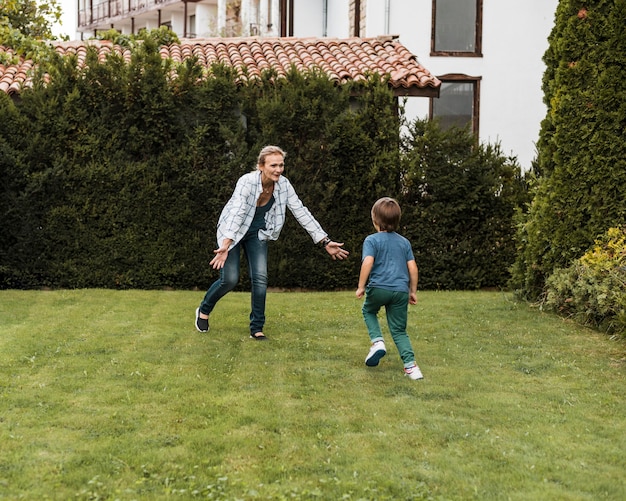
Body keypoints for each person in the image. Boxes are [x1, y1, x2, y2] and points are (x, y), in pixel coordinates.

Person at [195, 145, 349, 340]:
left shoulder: (284, 185)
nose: (278, 169)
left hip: (257, 233)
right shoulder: (247, 182)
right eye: (273, 165)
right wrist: (226, 245)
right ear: (261, 166)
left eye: (281, 165)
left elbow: (300, 210)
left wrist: (324, 240)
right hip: (232, 231)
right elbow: (237, 213)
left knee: (260, 279)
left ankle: (257, 328)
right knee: (230, 279)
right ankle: (204, 310)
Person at [355, 197, 423, 380]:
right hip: (401, 290)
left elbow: (368, 262)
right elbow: (413, 267)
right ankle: (412, 368)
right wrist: (413, 291)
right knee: (399, 330)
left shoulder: (371, 240)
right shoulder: (404, 242)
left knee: (368, 310)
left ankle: (377, 342)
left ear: (375, 220)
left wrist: (361, 286)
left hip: (378, 288)